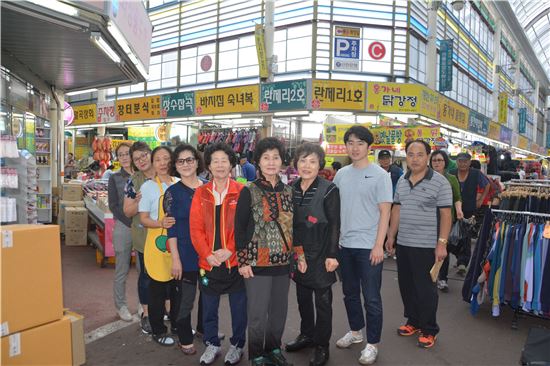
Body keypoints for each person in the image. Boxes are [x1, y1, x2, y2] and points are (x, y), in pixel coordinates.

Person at [235, 137, 307, 366]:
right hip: (257, 263)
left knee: (278, 312)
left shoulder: (288, 191)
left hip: (283, 263)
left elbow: (294, 227)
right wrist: (243, 261)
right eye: (266, 157)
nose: (271, 162)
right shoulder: (249, 190)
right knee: (257, 313)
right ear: (258, 162)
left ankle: (273, 348)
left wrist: (300, 255)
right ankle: (256, 354)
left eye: (275, 157)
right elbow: (240, 228)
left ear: (282, 161)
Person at [333, 126, 392, 365]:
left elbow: (385, 212)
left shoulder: (380, 175)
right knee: (349, 294)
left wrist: (379, 245)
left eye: (359, 143)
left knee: (371, 298)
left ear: (369, 147)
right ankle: (356, 332)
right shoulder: (341, 174)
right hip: (344, 246)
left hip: (369, 247)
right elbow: (334, 210)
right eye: (350, 143)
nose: (354, 147)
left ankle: (373, 343)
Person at [386, 139, 452, 349]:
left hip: (426, 245)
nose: (415, 159)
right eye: (411, 154)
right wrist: (390, 236)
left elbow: (446, 215)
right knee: (406, 286)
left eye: (420, 154)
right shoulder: (403, 181)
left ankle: (429, 328)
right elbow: (396, 209)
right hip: (404, 243)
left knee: (425, 289)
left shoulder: (440, 182)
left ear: (428, 157)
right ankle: (413, 321)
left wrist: (441, 244)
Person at [189, 142, 247, 366]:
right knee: (209, 308)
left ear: (231, 164)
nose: (220, 165)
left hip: (234, 263)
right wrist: (207, 254)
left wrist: (230, 249)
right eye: (216, 161)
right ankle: (212, 344)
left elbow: (245, 226)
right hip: (209, 262)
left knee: (239, 309)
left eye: (225, 160)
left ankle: (238, 345)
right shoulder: (201, 193)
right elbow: (195, 229)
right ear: (209, 166)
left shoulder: (242, 191)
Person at [284, 143, 340, 366]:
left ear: (320, 165)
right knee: (302, 298)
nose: (307, 166)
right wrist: (298, 255)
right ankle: (307, 335)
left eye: (312, 161)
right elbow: (290, 226)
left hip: (323, 253)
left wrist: (333, 255)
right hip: (299, 254)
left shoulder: (329, 189)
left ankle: (322, 345)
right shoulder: (291, 188)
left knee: (323, 303)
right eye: (303, 160)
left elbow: (335, 224)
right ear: (296, 163)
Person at [165, 144, 205, 355]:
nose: (186, 164)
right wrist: (176, 260)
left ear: (197, 162)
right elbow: (171, 230)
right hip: (185, 255)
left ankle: (204, 330)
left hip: (208, 254)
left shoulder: (209, 188)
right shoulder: (172, 193)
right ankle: (184, 337)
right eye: (181, 161)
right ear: (175, 166)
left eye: (190, 159)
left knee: (208, 297)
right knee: (185, 299)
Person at [139, 146, 179, 347]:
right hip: (156, 245)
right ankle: (158, 329)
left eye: (166, 159)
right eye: (158, 160)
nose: (163, 163)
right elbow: (144, 219)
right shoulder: (148, 187)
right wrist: (161, 223)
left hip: (178, 245)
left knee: (177, 289)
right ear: (153, 164)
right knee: (157, 289)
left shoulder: (179, 183)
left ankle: (179, 325)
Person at [123, 142, 156, 335]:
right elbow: (127, 212)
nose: (141, 160)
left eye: (144, 155)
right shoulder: (133, 181)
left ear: (151, 154)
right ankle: (146, 313)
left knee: (167, 276)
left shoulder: (164, 175)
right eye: (137, 159)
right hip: (144, 236)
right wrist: (137, 201)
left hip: (164, 236)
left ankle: (166, 312)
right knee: (146, 277)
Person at [429, 150, 464, 292]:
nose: (437, 163)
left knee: (443, 248)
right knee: (428, 248)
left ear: (445, 163)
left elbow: (457, 197)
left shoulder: (451, 179)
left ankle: (442, 278)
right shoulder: (426, 178)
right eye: (434, 160)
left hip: (446, 218)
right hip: (429, 218)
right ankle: (431, 275)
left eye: (440, 160)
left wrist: (459, 210)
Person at [450, 152, 490, 276]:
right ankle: (459, 255)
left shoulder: (476, 173)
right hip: (451, 209)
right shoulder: (451, 173)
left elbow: (487, 184)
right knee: (451, 235)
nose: (463, 163)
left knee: (465, 236)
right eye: (460, 161)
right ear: (457, 162)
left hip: (468, 208)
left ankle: (463, 262)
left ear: (469, 162)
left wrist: (480, 200)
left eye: (465, 161)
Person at [107, 143, 134, 322]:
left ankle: (144, 304)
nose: (124, 157)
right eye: (121, 154)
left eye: (127, 154)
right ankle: (121, 306)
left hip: (144, 226)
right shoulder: (114, 178)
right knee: (121, 269)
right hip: (124, 226)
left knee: (144, 269)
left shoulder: (144, 176)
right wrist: (129, 221)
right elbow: (113, 205)